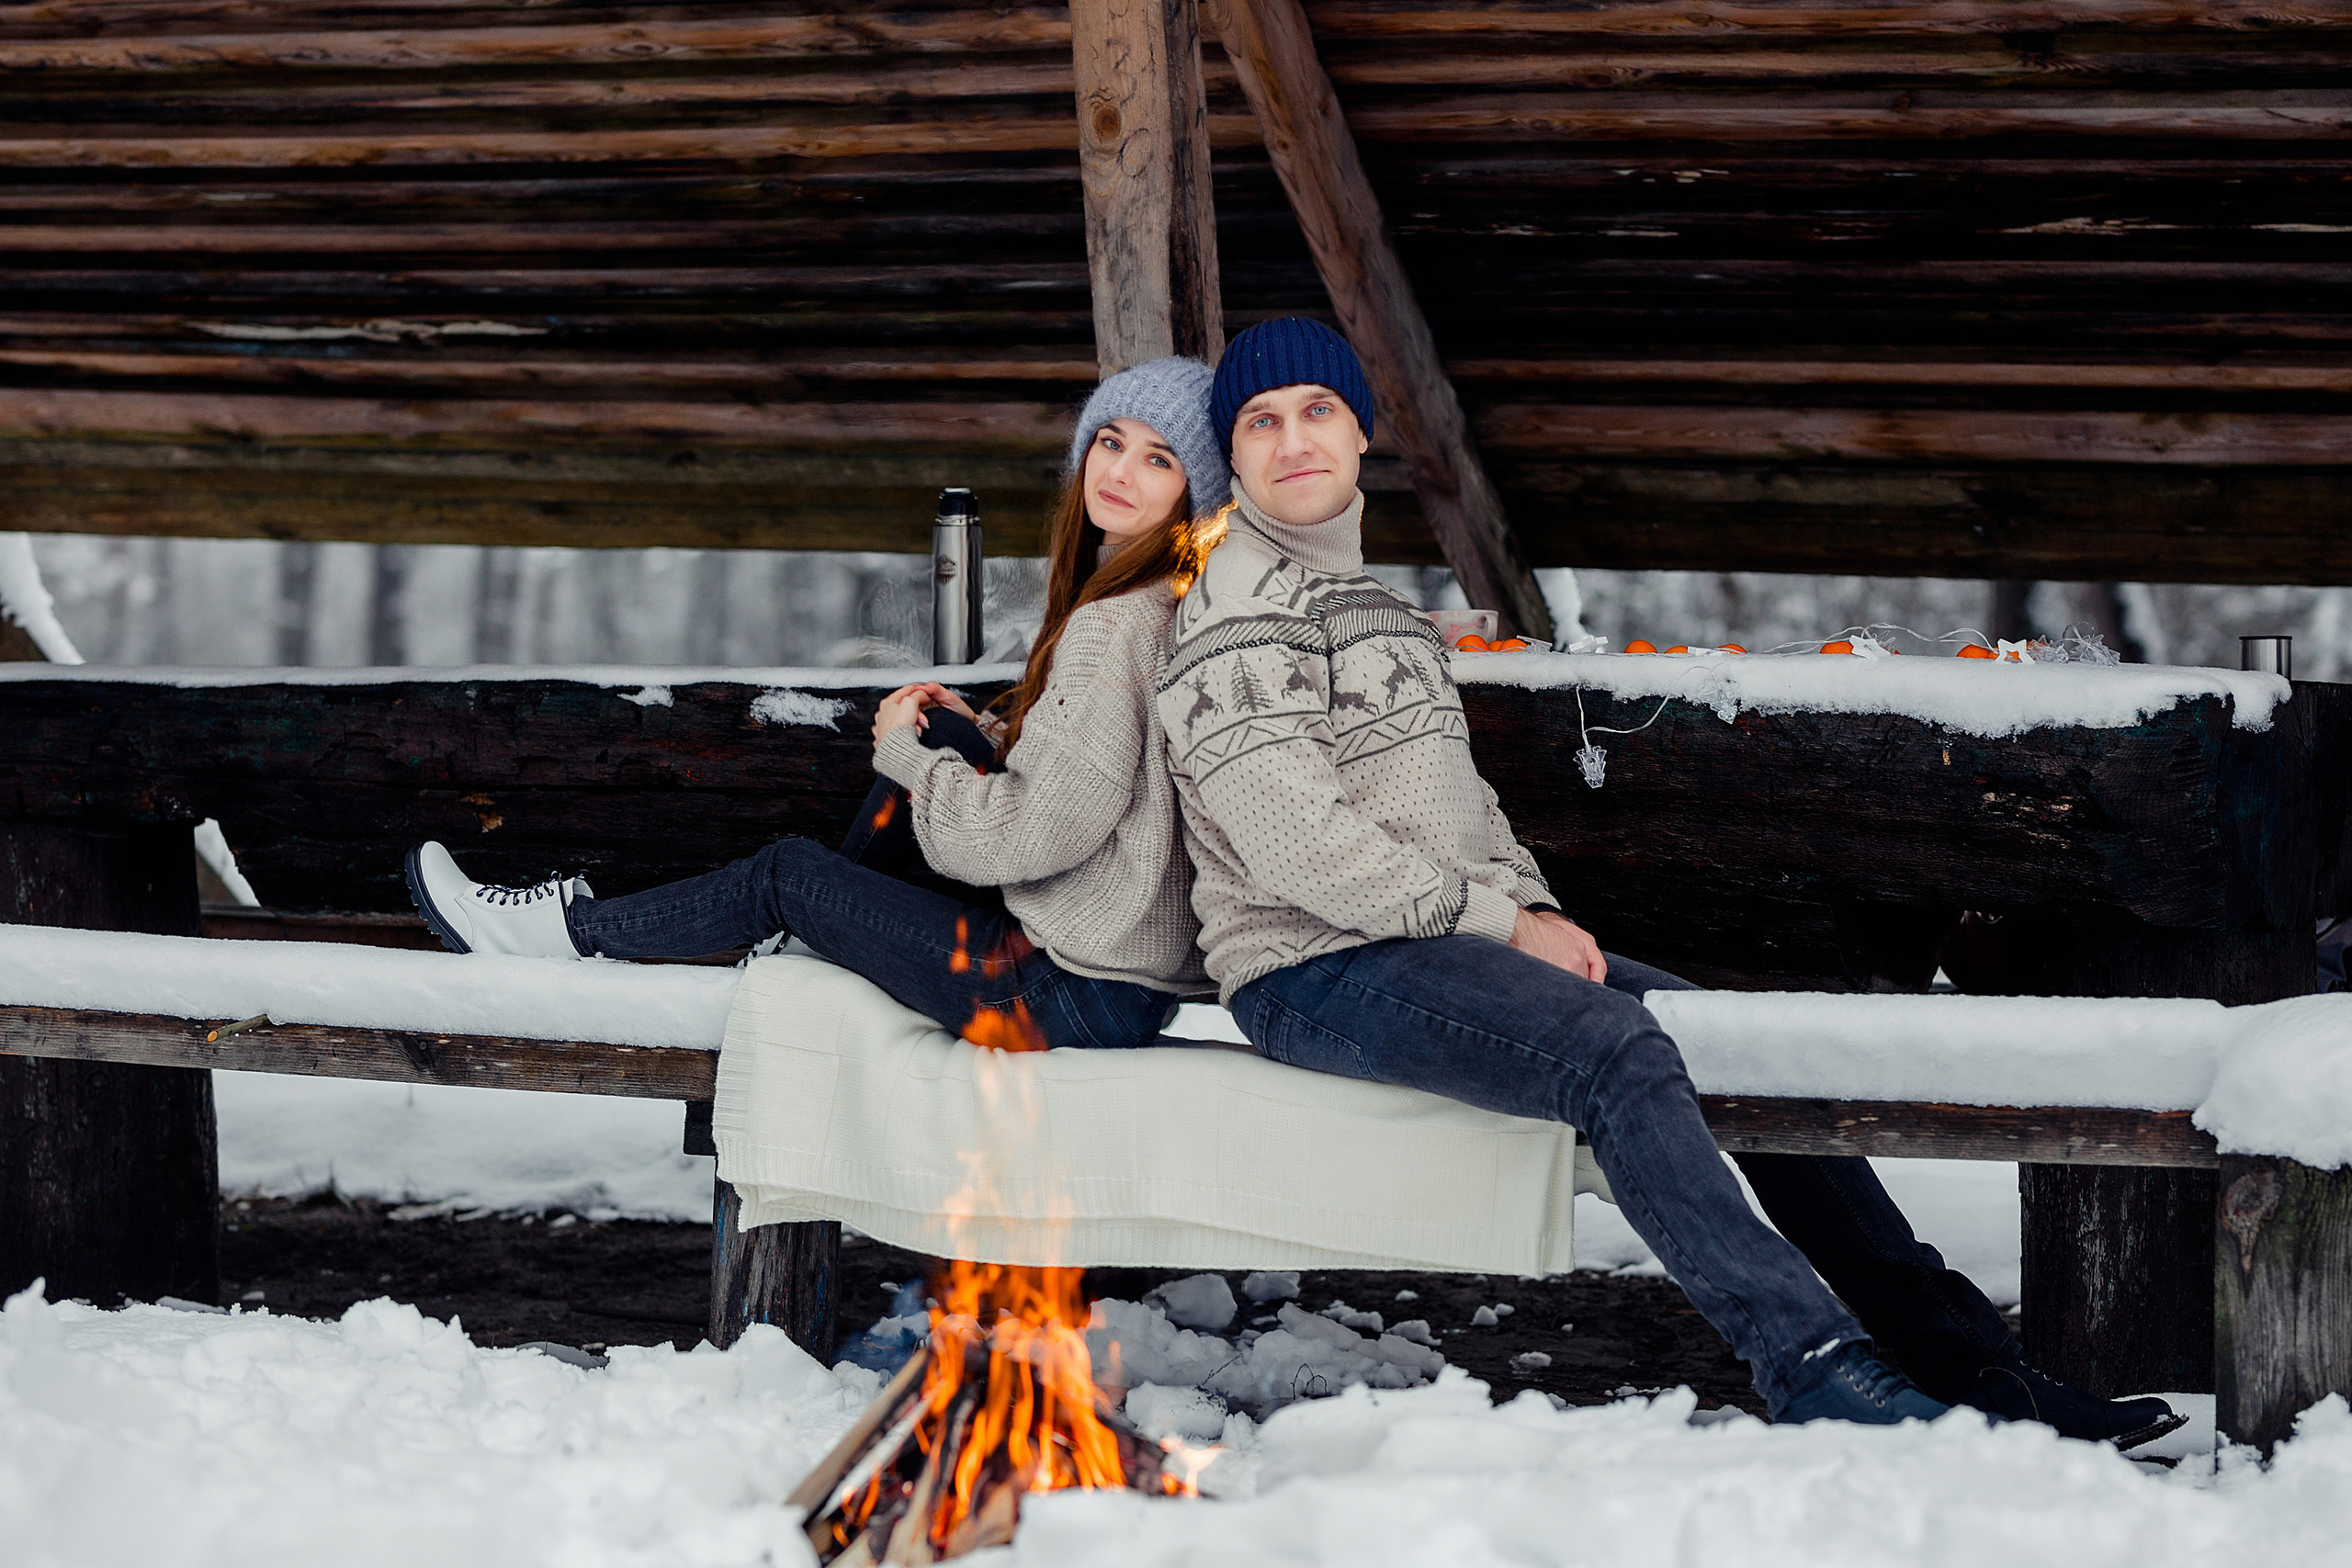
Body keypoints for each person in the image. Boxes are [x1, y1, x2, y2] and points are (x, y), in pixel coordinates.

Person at [1158, 316, 2180, 1440]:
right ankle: (1813, 1364)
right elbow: (1298, 849)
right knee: (1617, 1052)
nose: (1292, 439)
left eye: (1316, 411)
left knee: (1741, 1037)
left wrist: (1532, 906)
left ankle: (1968, 1364)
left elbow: (1459, 802)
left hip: (1425, 937)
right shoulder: (1234, 613)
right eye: (1260, 421)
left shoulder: (1379, 610)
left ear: (1360, 434)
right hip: (1312, 964)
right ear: (1236, 457)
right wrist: (1499, 920)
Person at [404, 355, 1226, 1051]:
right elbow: (1100, 770)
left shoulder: (1114, 626)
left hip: (1056, 995)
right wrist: (978, 736)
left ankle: (555, 937)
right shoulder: (1163, 607)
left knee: (788, 873)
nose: (1119, 471)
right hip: (1116, 987)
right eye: (1111, 442)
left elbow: (1037, 832)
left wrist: (908, 757)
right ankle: (808, 940)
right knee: (941, 730)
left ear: (1195, 492)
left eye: (1158, 459)